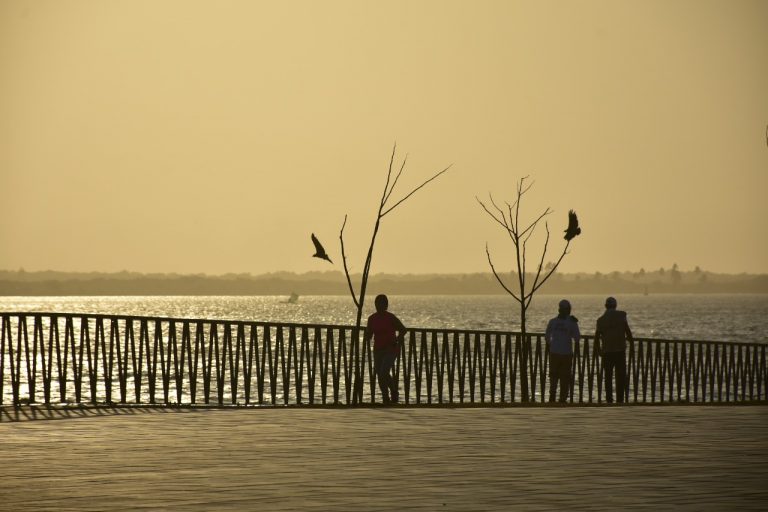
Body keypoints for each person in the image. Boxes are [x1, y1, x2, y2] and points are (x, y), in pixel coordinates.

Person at [364, 294, 407, 404]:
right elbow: (369, 334)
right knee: (379, 373)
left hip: (390, 349)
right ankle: (385, 397)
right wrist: (366, 336)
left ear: (386, 305)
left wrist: (397, 339)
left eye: (383, 303)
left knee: (384, 371)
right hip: (378, 349)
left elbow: (403, 329)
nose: (380, 306)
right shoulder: (372, 319)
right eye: (378, 303)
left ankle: (393, 391)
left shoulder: (390, 317)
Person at [595, 296, 634, 404]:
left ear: (605, 306)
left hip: (607, 352)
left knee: (608, 376)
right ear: (615, 305)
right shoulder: (622, 315)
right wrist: (632, 345)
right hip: (620, 351)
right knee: (620, 376)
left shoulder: (600, 320)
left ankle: (609, 399)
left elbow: (597, 337)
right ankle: (620, 399)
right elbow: (627, 330)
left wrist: (598, 350)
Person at [544, 299, 580, 403]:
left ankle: (552, 396)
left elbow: (547, 336)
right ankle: (562, 399)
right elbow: (577, 337)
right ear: (568, 310)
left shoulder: (552, 321)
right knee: (565, 377)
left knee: (553, 376)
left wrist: (552, 345)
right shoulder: (572, 322)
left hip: (554, 352)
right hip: (566, 353)